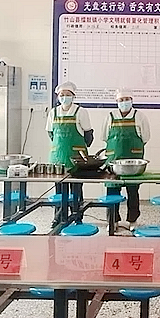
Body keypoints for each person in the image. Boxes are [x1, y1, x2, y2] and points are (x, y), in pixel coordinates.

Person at [101, 88, 150, 231]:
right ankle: (113, 221)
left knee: (132, 191)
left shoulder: (140, 116)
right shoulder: (110, 116)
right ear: (117, 101)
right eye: (121, 100)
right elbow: (104, 136)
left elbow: (145, 137)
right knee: (112, 190)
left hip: (133, 161)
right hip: (113, 159)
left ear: (132, 100)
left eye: (127, 99)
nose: (124, 102)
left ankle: (132, 220)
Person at [46, 81, 94, 226]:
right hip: (58, 157)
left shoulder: (80, 112)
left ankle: (77, 216)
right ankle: (59, 217)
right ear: (58, 97)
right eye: (62, 95)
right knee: (59, 189)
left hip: (77, 158)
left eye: (68, 94)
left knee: (76, 188)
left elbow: (88, 135)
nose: (64, 97)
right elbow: (50, 133)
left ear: (73, 96)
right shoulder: (53, 112)